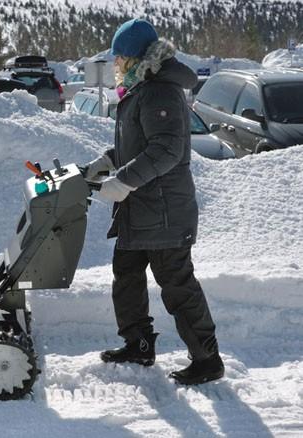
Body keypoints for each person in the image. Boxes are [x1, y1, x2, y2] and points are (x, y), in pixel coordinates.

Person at [84, 18, 224, 385]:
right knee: (126, 276)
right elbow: (140, 143)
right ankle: (138, 344)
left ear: (136, 58)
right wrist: (107, 161)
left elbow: (166, 150)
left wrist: (123, 181)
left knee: (177, 285)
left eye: (120, 57)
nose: (116, 64)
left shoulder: (160, 91)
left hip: (164, 211)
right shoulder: (141, 88)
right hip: (140, 207)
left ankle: (207, 359)